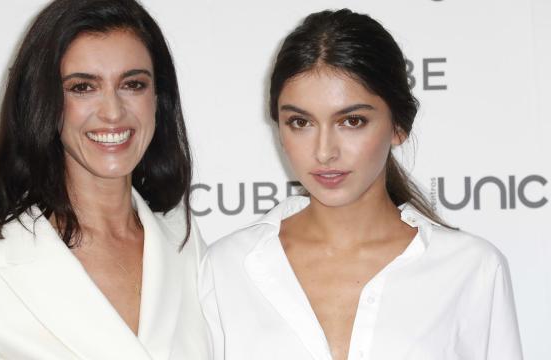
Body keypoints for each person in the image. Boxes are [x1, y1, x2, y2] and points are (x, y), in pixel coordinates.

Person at [199, 9, 523, 360]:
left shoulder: (471, 268)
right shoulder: (226, 269)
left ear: (398, 126)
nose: (324, 152)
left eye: (352, 121)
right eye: (300, 122)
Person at [0, 0, 209, 359]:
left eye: (133, 84)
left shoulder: (183, 242)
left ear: (158, 98)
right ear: (44, 102)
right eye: (83, 87)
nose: (113, 112)